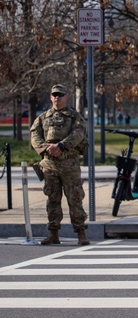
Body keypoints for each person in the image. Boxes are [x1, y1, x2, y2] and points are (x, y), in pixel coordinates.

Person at [29, 84, 89, 246]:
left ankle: (81, 233)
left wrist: (60, 146)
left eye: (60, 95)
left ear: (66, 96)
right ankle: (53, 233)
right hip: (50, 164)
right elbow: (34, 136)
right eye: (54, 95)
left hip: (69, 164)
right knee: (52, 199)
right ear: (50, 97)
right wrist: (47, 148)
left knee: (75, 198)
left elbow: (78, 134)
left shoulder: (75, 117)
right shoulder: (42, 118)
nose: (57, 97)